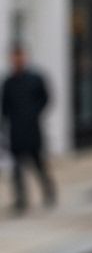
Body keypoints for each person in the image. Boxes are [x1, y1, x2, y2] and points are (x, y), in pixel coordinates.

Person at [1, 43, 56, 213]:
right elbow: (4, 107)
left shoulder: (35, 79)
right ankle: (21, 199)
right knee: (17, 168)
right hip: (16, 131)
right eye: (15, 57)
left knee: (38, 164)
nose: (17, 60)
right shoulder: (8, 82)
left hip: (32, 129)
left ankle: (49, 191)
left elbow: (46, 98)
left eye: (20, 56)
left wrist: (34, 113)